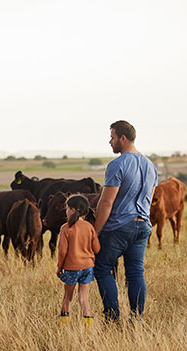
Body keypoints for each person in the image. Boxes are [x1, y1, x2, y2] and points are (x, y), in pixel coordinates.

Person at [93, 120, 159, 322]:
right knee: (135, 272)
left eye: (112, 137)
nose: (110, 141)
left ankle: (112, 318)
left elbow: (106, 203)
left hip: (119, 227)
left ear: (123, 138)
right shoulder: (151, 166)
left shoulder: (117, 165)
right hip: (143, 225)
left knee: (102, 268)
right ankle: (136, 318)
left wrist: (94, 233)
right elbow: (149, 198)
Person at [56, 194, 100, 327]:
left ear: (73, 210)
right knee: (83, 297)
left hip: (71, 268)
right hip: (87, 267)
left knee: (67, 298)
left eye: (67, 208)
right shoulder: (89, 227)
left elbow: (62, 251)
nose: (66, 211)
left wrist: (59, 267)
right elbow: (97, 248)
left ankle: (63, 326)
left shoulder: (65, 228)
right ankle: (87, 326)